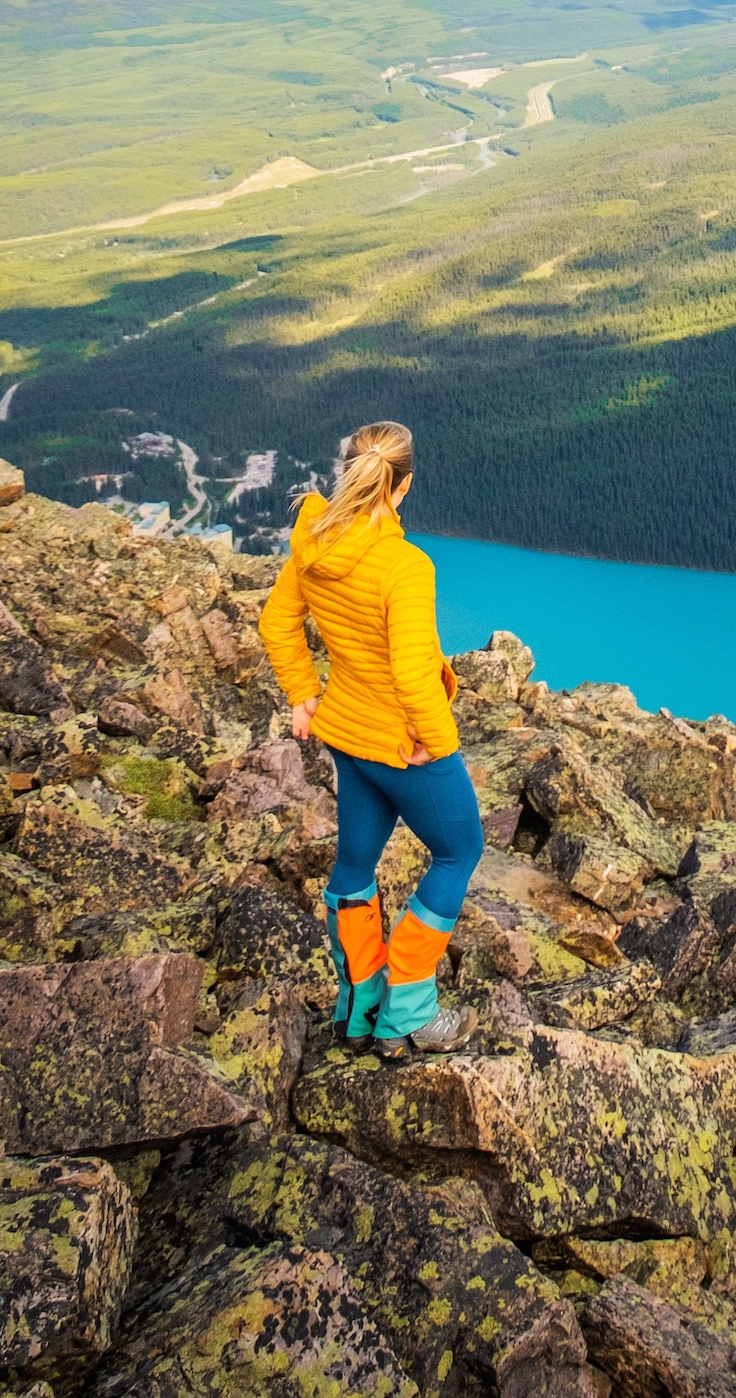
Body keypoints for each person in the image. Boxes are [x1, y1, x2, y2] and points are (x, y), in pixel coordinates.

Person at [257, 420, 482, 1056]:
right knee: (459, 852)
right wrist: (438, 745)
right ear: (403, 485)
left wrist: (304, 695)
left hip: (347, 736)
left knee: (355, 861)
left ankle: (358, 1008)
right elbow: (413, 674)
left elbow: (278, 623)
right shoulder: (404, 566)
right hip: (402, 744)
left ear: (348, 470)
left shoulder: (313, 535)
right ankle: (409, 1013)